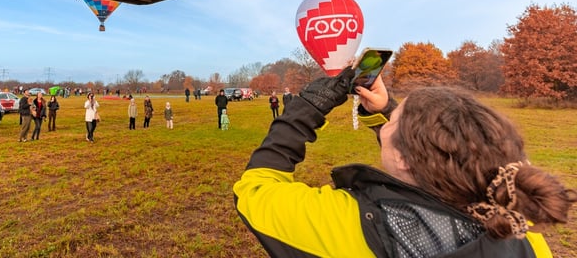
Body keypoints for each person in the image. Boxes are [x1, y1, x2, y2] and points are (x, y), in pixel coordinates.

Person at [233, 70, 577, 257]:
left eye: (396, 118)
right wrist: (383, 111)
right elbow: (426, 162)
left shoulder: (349, 221)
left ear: (402, 156)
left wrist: (308, 107)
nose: (391, 116)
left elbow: (256, 190)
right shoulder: (519, 230)